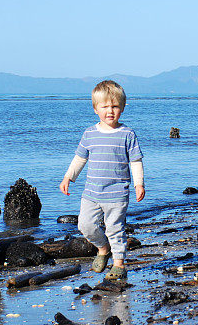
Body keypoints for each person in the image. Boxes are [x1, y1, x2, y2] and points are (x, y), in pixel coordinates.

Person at [59, 80, 145, 280]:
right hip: (91, 193)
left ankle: (119, 264)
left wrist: (139, 183)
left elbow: (136, 161)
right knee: (85, 225)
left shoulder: (127, 134)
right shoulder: (89, 133)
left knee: (116, 229)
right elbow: (80, 158)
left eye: (115, 106)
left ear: (122, 107)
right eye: (105, 106)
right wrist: (68, 177)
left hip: (116, 194)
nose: (110, 111)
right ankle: (103, 248)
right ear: (95, 108)